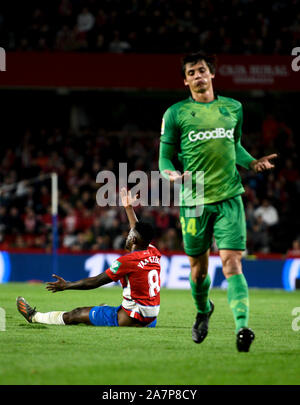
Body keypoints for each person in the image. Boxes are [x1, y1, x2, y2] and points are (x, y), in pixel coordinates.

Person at [158, 51, 277, 352]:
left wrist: (252, 163)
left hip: (229, 198)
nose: (198, 76)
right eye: (192, 72)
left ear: (212, 74)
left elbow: (234, 146)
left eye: (202, 70)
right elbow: (164, 156)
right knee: (198, 269)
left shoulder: (233, 107)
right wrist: (169, 173)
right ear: (185, 80)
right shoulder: (175, 114)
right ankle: (203, 310)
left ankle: (242, 327)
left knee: (232, 263)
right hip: (194, 199)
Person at [17, 188, 160, 328]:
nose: (128, 235)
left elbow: (95, 282)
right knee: (106, 308)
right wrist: (128, 208)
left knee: (76, 314)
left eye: (130, 234)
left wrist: (67, 285)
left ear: (134, 239)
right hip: (150, 319)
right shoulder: (154, 253)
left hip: (130, 318)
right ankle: (103, 312)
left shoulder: (127, 261)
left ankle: (34, 316)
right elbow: (137, 231)